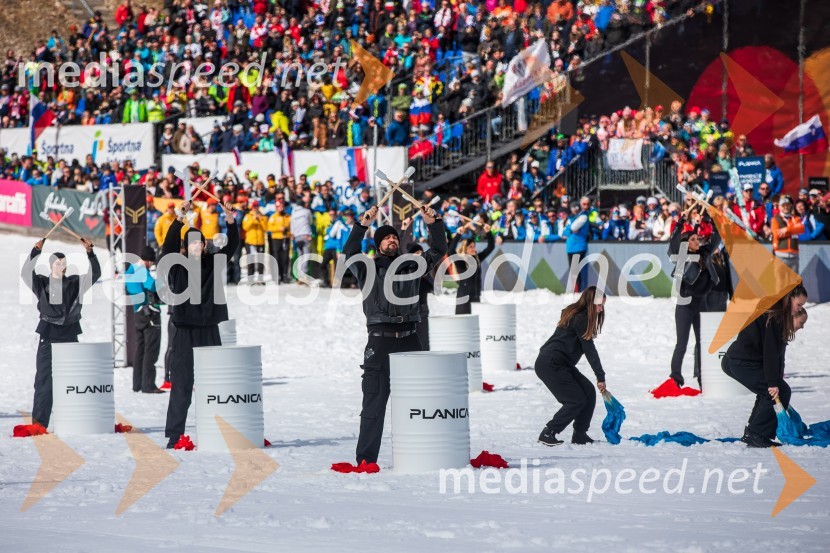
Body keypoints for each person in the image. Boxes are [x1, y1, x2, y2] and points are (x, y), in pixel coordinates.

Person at [343, 204, 447, 467]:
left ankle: (425, 453)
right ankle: (366, 460)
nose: (392, 239)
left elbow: (439, 251)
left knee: (420, 400)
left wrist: (433, 224)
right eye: (386, 237)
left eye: (394, 237)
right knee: (374, 404)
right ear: (378, 244)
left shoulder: (412, 266)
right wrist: (362, 225)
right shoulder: (366, 268)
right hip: (380, 340)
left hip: (411, 339)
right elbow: (349, 252)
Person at [161, 199, 239, 449]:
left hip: (209, 331)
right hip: (184, 330)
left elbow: (233, 245)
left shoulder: (212, 263)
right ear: (185, 247)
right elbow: (167, 248)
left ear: (205, 245)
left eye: (200, 242)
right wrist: (180, 219)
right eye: (191, 242)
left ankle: (218, 432)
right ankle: (174, 436)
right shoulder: (176, 266)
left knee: (215, 384)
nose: (196, 245)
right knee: (181, 387)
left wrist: (229, 220)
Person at [21, 236, 101, 428]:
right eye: (58, 264)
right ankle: (39, 424)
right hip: (48, 337)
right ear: (51, 267)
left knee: (73, 382)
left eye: (64, 264)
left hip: (70, 336)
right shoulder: (41, 283)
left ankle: (74, 422)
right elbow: (25, 272)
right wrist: (35, 252)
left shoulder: (75, 283)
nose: (62, 267)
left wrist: (90, 253)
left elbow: (95, 273)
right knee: (44, 383)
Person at [722, 285, 808, 447]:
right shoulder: (774, 316)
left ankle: (754, 431)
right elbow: (770, 353)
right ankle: (756, 433)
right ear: (790, 298)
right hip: (741, 362)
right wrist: (772, 383)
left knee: (770, 392)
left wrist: (776, 377)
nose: (799, 309)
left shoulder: (776, 314)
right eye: (799, 305)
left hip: (740, 360)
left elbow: (777, 356)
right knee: (779, 392)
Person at [534, 286, 607, 446]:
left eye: (602, 305)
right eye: (599, 305)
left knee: (588, 392)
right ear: (589, 303)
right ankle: (548, 432)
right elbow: (590, 350)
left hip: (559, 363)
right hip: (551, 364)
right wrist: (600, 377)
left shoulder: (575, 313)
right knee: (576, 400)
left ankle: (580, 434)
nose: (601, 310)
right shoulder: (580, 318)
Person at [667, 214, 721, 388]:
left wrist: (712, 222)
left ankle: (702, 377)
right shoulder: (681, 255)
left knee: (702, 343)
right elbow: (673, 243)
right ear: (686, 243)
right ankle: (676, 377)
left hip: (701, 304)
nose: (697, 241)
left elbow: (717, 238)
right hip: (684, 305)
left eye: (698, 238)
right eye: (693, 239)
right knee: (681, 344)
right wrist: (679, 224)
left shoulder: (705, 253)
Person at [125, 247, 164, 393]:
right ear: (147, 260)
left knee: (140, 349)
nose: (151, 265)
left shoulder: (130, 270)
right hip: (149, 313)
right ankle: (148, 385)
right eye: (151, 262)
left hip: (137, 312)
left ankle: (137, 384)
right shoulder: (141, 269)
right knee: (151, 349)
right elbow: (151, 285)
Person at [448, 222, 495, 314]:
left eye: (474, 246)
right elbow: (451, 251)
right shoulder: (460, 261)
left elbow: (491, 247)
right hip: (463, 298)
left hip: (476, 296)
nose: (474, 249)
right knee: (463, 324)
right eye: (471, 247)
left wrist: (488, 232)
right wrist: (458, 234)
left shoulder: (477, 259)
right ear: (465, 249)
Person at [771, 195, 805, 275]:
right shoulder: (775, 219)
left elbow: (801, 228)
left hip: (794, 255)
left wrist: (787, 229)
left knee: (793, 284)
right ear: (780, 207)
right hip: (780, 255)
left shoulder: (796, 218)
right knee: (780, 283)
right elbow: (777, 234)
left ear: (791, 206)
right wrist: (793, 230)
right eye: (783, 205)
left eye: (788, 205)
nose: (786, 207)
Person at [241, 201, 268, 284]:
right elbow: (245, 227)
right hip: (250, 242)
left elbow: (266, 228)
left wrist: (260, 219)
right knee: (251, 261)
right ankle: (251, 279)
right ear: (252, 207)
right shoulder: (248, 216)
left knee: (260, 261)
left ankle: (260, 278)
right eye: (254, 206)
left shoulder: (263, 216)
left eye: (257, 206)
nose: (255, 208)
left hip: (260, 242)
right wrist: (253, 219)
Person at [267, 199, 292, 283]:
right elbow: (270, 228)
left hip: (285, 238)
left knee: (285, 258)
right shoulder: (273, 217)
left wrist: (287, 231)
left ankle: (284, 275)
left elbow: (291, 227)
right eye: (279, 207)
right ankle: (276, 275)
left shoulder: (287, 216)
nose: (281, 208)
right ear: (276, 207)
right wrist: (279, 229)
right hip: (276, 239)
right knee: (276, 257)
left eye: (282, 206)